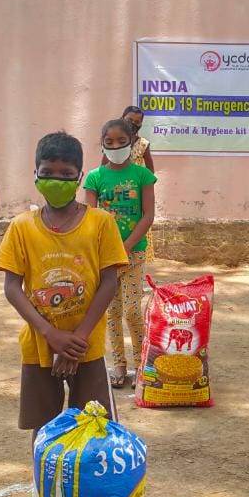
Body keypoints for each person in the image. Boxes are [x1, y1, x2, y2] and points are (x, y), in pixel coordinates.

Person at [0, 131, 127, 497]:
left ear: (79, 175)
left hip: (86, 348)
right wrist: (51, 335)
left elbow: (109, 280)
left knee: (96, 428)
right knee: (44, 430)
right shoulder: (21, 227)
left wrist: (79, 337)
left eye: (66, 174)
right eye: (48, 174)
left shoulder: (101, 222)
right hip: (38, 349)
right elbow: (12, 287)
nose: (57, 180)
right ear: (35, 175)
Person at [84, 119, 157, 388]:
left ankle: (140, 364)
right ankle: (118, 367)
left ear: (132, 143)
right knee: (111, 314)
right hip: (105, 259)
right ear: (102, 144)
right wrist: (107, 250)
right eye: (109, 142)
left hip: (134, 254)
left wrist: (125, 246)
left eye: (121, 141)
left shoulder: (143, 176)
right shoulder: (94, 178)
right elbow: (91, 219)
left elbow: (148, 215)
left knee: (132, 312)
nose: (115, 146)